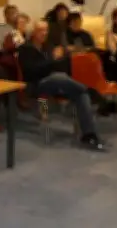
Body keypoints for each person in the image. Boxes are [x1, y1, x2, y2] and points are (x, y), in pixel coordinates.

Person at [17, 21, 106, 151]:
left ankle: (89, 134)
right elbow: (30, 72)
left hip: (58, 82)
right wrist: (53, 61)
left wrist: (58, 61)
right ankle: (92, 92)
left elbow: (61, 65)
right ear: (33, 33)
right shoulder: (26, 49)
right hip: (37, 84)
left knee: (81, 94)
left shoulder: (48, 46)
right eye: (40, 30)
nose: (44, 33)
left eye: (46, 30)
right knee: (58, 77)